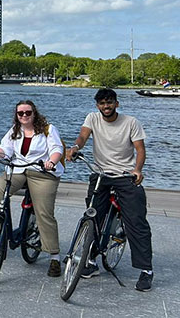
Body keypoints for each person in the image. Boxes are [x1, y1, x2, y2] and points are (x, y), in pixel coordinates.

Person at [67, 88, 153, 292]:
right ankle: (91, 259)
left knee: (136, 221)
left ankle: (146, 270)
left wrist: (137, 170)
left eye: (110, 102)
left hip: (125, 175)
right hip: (101, 174)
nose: (106, 106)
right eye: (102, 103)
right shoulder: (93, 118)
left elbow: (140, 149)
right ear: (97, 106)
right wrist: (75, 148)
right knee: (92, 217)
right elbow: (82, 137)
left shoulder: (131, 122)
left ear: (117, 103)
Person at [0, 100, 64, 277]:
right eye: (20, 113)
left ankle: (54, 256)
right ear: (16, 115)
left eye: (28, 112)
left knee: (44, 213)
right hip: (18, 169)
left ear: (34, 113)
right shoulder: (14, 130)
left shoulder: (48, 129)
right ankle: (0, 222)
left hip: (42, 172)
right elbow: (5, 149)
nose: (24, 116)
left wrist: (52, 162)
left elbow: (57, 149)